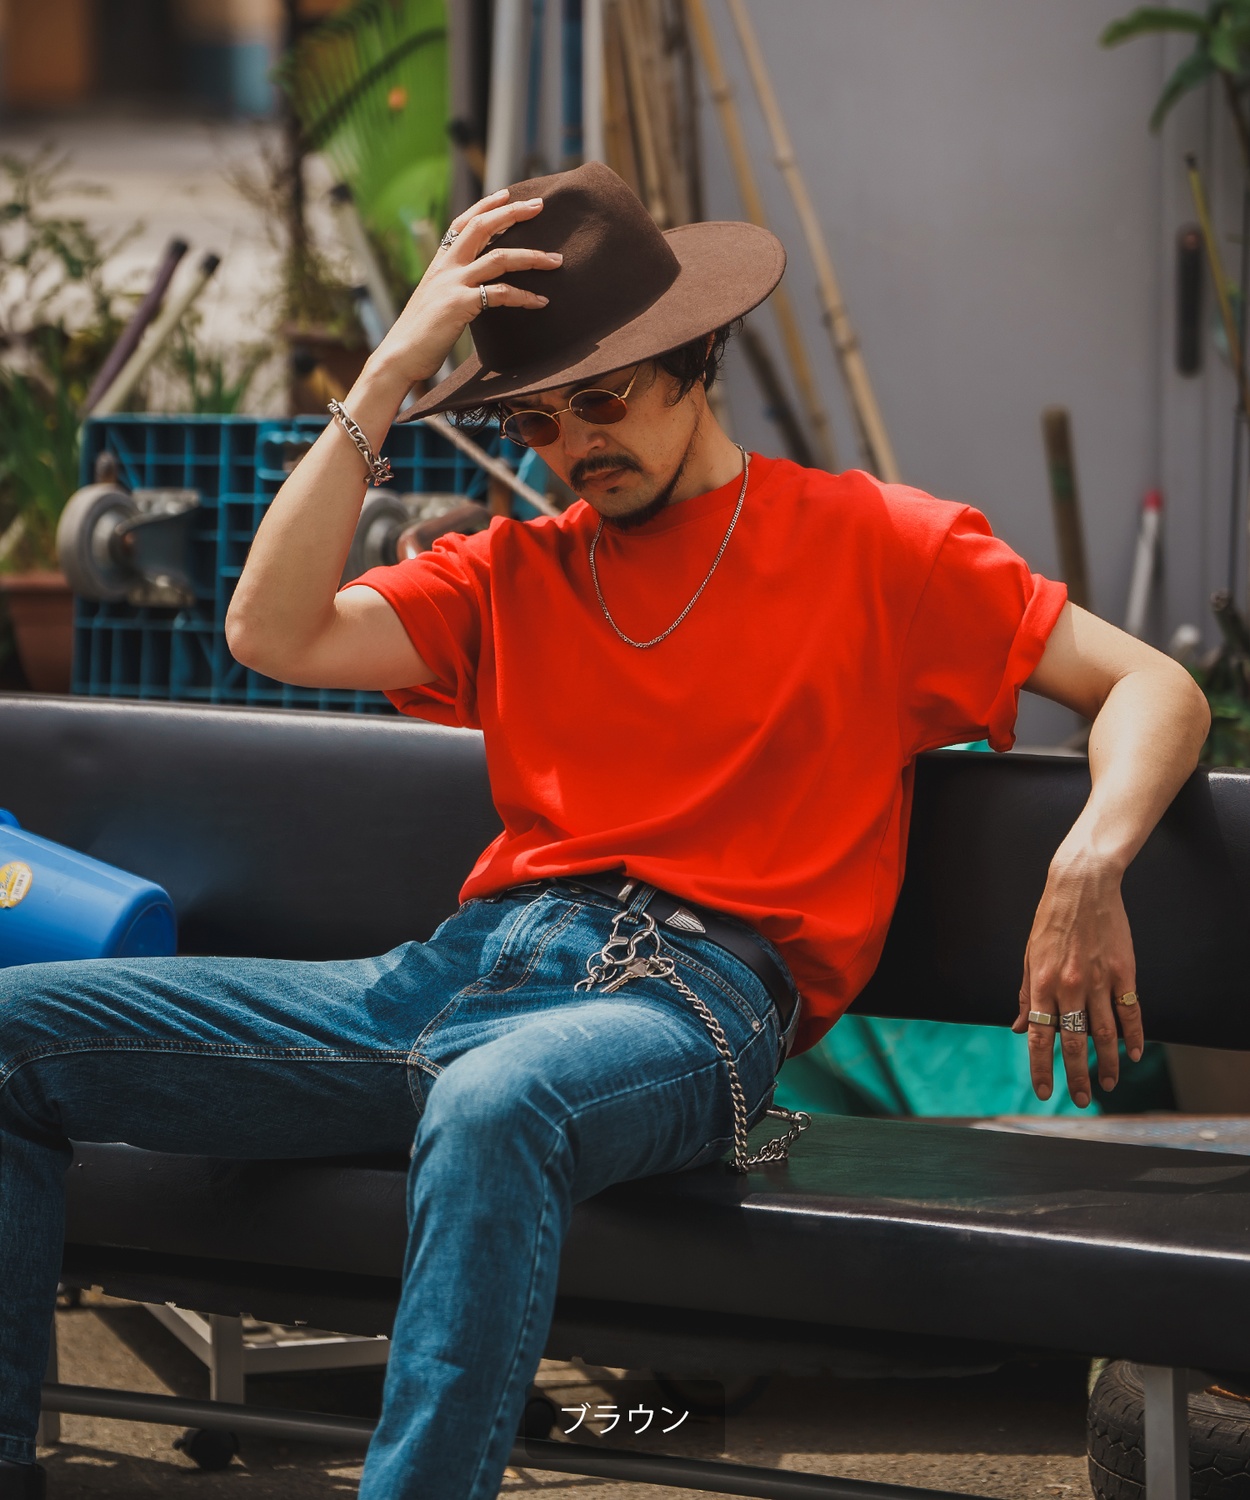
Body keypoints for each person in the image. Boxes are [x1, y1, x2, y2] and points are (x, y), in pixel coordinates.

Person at [0, 162, 1210, 1500]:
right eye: (535, 416)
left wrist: (1087, 859)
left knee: (493, 1101)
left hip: (687, 1003)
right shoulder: (514, 573)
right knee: (12, 1034)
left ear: (696, 362)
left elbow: (1151, 685)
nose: (574, 442)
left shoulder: (874, 545)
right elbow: (267, 632)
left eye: (604, 397)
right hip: (455, 978)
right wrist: (389, 373)